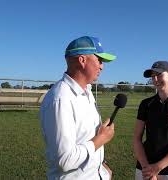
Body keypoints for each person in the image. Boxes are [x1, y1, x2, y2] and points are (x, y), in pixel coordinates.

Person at [40, 36, 116, 180]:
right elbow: (65, 160)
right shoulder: (61, 98)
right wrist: (102, 138)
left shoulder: (87, 91)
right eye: (99, 60)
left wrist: (102, 167)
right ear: (82, 60)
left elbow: (85, 138)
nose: (102, 66)